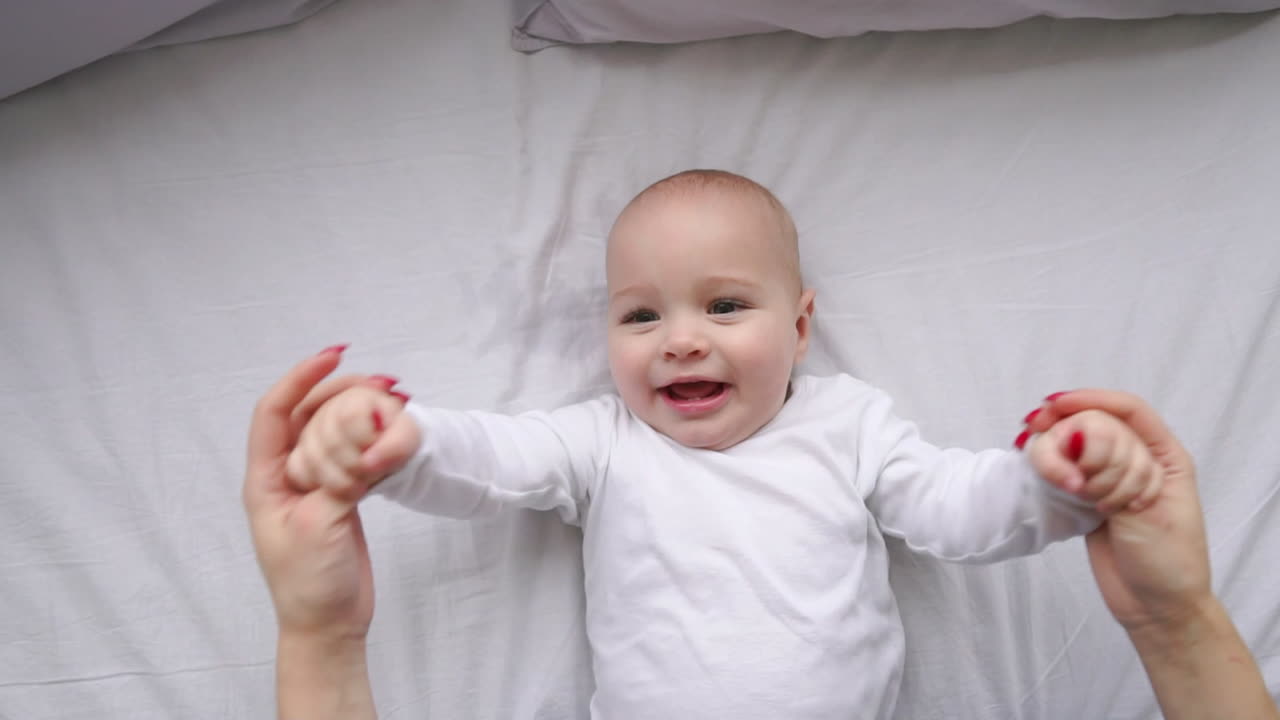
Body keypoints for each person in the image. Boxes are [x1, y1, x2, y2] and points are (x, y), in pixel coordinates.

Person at [242, 171, 1190, 717]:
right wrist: (402, 442)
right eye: (640, 315)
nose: (681, 340)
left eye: (725, 306)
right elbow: (493, 460)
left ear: (802, 327)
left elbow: (956, 508)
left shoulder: (848, 424)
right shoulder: (604, 439)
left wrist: (1056, 482)